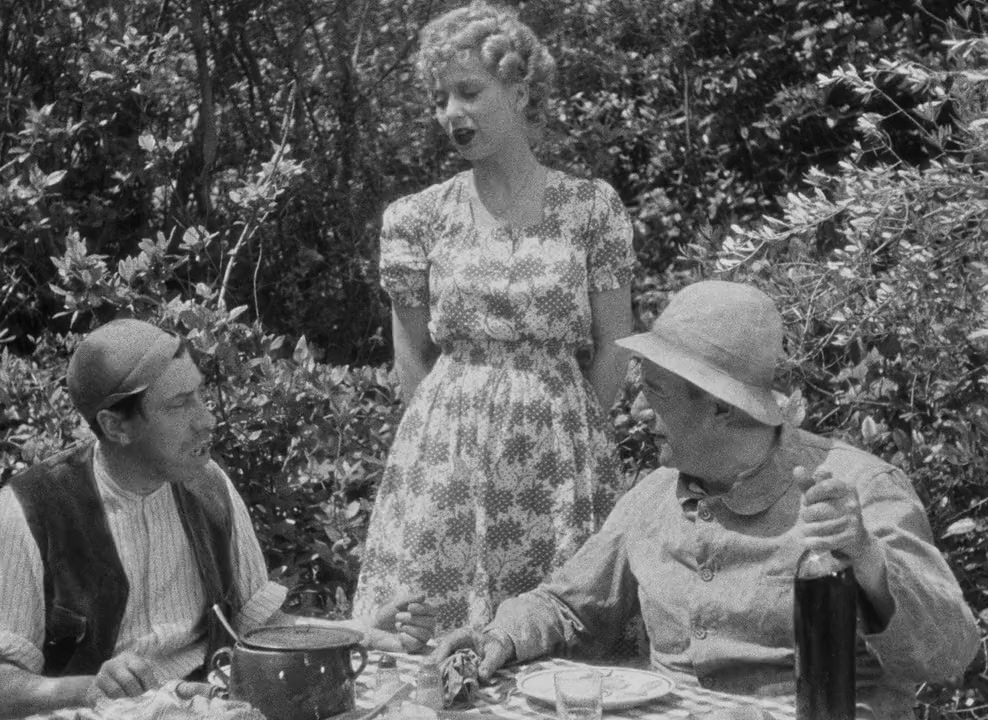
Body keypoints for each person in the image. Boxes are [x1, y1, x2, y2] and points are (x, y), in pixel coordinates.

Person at [431, 281, 980, 720]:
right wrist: (500, 637)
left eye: (655, 393)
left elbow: (951, 653)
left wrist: (868, 559)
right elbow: (569, 607)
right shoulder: (653, 495)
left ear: (720, 406)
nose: (637, 413)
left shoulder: (858, 488)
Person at [353, 0, 636, 633]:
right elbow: (411, 356)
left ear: (520, 91)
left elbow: (616, 343)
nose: (451, 113)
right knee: (427, 637)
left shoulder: (592, 209)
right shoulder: (416, 218)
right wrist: (444, 450)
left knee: (555, 634)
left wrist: (569, 431)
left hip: (559, 460)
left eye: (469, 92)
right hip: (446, 457)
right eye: (439, 99)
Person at [0, 319, 435, 719]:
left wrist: (362, 632)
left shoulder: (207, 485)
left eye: (199, 394)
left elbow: (261, 628)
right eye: (179, 405)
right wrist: (87, 688)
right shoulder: (30, 511)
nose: (207, 419)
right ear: (115, 427)